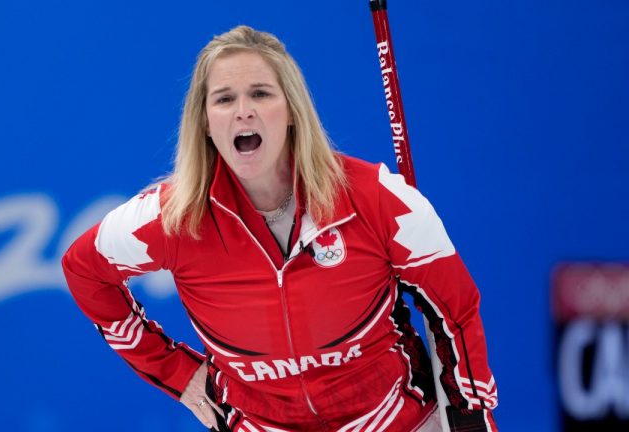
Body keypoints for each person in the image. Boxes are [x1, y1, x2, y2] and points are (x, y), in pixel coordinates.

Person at [62, 25, 498, 432]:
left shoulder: (378, 199)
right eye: (224, 98)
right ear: (204, 122)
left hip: (393, 419)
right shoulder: (172, 218)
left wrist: (471, 417)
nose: (243, 111)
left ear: (291, 110)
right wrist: (178, 373)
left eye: (260, 93)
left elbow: (454, 312)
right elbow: (83, 269)